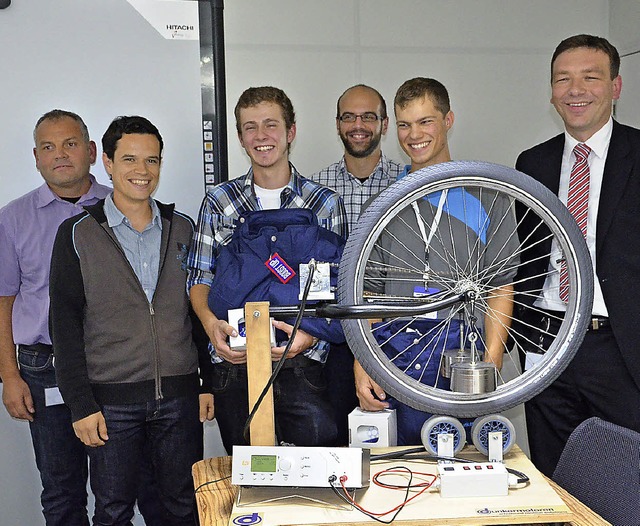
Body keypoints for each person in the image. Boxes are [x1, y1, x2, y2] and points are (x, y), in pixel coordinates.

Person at [49, 115, 214, 525]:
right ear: (106, 163)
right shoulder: (76, 234)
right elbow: (64, 328)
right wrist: (80, 405)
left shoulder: (184, 229)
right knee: (112, 510)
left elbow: (196, 314)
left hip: (178, 400)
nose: (142, 172)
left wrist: (206, 383)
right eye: (129, 159)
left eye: (152, 161)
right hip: (110, 404)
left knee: (182, 506)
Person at [354, 78, 517, 445]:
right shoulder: (381, 206)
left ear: (448, 120)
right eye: (404, 124)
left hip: (467, 360)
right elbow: (368, 294)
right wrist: (362, 362)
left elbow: (501, 285)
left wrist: (490, 365)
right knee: (405, 482)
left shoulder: (488, 194)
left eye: (425, 121)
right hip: (397, 360)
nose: (414, 135)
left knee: (472, 480)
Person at [187, 86, 348, 453]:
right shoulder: (219, 201)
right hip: (235, 367)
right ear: (241, 138)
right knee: (251, 480)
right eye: (250, 127)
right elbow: (199, 278)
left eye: (271, 125)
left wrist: (310, 338)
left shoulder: (324, 204)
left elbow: (335, 288)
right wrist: (212, 328)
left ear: (291, 132)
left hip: (303, 368)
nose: (261, 136)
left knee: (311, 484)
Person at [515, 34, 640, 477]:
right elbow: (524, 256)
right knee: (554, 480)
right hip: (548, 345)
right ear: (551, 91)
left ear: (615, 87)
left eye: (590, 77)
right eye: (563, 79)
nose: (575, 89)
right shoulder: (533, 163)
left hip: (621, 349)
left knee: (626, 483)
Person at [0, 110, 110, 525]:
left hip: (109, 365)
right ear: (36, 157)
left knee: (116, 486)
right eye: (48, 147)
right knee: (61, 491)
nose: (59, 155)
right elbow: (4, 300)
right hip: (42, 370)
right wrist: (10, 377)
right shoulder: (13, 219)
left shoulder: (118, 207)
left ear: (92, 151)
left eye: (69, 144)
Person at [311, 84, 403, 445]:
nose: (358, 124)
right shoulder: (315, 189)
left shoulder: (408, 182)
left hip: (393, 338)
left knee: (397, 447)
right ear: (337, 125)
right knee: (336, 444)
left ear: (384, 124)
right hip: (333, 341)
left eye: (368, 116)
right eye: (349, 117)